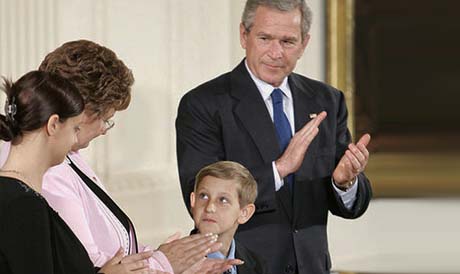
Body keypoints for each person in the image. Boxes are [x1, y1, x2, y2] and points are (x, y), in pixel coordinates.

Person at [0, 40, 239, 274]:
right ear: (59, 121)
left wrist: (174, 264)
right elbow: (84, 262)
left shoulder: (49, 171)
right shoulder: (31, 192)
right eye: (105, 119)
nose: (104, 129)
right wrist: (163, 263)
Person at [176, 1, 373, 273]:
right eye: (265, 38)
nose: (276, 52)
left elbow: (352, 206)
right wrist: (279, 170)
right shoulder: (203, 104)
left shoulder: (327, 100)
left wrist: (345, 182)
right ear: (244, 36)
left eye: (288, 41)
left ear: (304, 44)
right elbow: (200, 197)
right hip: (240, 266)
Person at [0, 70, 155, 274]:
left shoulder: (19, 196)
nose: (75, 141)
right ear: (53, 125)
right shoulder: (24, 205)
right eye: (74, 128)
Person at [190, 161, 268, 274]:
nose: (210, 207)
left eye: (223, 200)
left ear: (244, 213)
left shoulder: (257, 264)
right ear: (193, 201)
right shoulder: (172, 263)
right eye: (204, 196)